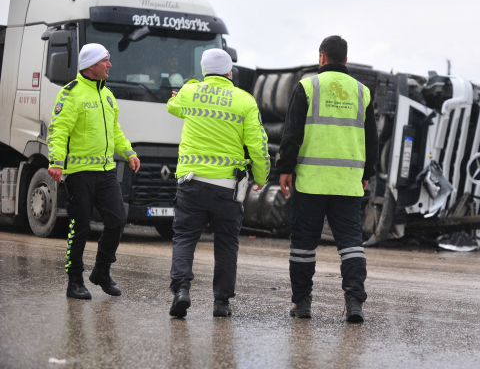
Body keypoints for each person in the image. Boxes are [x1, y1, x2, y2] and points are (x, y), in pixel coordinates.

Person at [277, 35, 378, 323]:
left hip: (311, 181)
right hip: (348, 184)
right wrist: (367, 173)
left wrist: (285, 168)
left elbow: (292, 133)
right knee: (351, 244)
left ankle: (303, 302)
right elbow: (372, 140)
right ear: (345, 59)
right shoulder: (362, 92)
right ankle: (355, 301)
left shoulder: (308, 86)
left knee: (303, 246)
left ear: (321, 57)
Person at [166, 48, 270, 318]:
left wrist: (190, 85)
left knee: (185, 238)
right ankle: (221, 303)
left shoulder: (190, 93)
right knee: (226, 244)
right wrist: (261, 177)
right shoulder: (244, 100)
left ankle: (181, 290)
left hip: (191, 182)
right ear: (230, 71)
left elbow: (171, 106)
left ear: (203, 70)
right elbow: (258, 146)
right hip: (228, 188)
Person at [47, 43, 141, 300]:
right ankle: (74, 281)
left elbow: (115, 130)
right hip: (79, 173)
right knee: (81, 228)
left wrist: (129, 152)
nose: (110, 65)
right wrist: (56, 161)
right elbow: (58, 130)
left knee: (117, 221)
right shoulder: (71, 93)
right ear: (91, 65)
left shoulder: (107, 95)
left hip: (106, 172)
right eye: (105, 61)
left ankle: (101, 271)